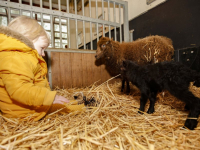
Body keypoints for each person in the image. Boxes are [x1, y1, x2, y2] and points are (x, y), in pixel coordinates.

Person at [0, 16, 85, 121]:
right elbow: (19, 90)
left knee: (63, 102)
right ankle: (88, 106)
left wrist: (42, 86)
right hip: (25, 113)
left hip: (30, 107)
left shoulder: (19, 56)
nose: (43, 54)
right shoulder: (15, 58)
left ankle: (81, 101)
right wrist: (50, 97)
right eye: (42, 48)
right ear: (27, 39)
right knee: (66, 108)